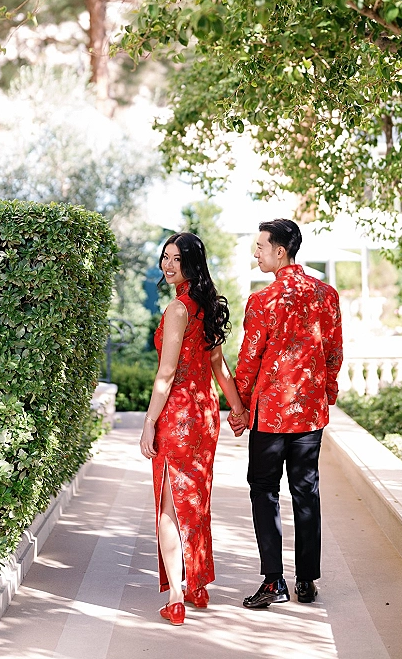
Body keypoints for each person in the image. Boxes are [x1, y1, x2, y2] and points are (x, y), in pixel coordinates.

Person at [228, 219, 342, 609]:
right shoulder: (327, 295)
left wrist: (240, 408)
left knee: (264, 491)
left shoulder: (263, 301)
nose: (255, 253)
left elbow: (249, 360)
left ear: (280, 251)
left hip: (271, 416)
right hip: (309, 414)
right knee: (306, 491)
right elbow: (333, 352)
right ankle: (306, 582)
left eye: (260, 246)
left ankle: (273, 581)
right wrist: (327, 390)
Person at [140, 232, 247, 626]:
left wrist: (148, 423)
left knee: (170, 505)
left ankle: (177, 595)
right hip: (205, 415)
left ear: (192, 263)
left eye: (176, 259)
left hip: (178, 417)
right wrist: (237, 410)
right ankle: (198, 583)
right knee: (197, 501)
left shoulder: (178, 310)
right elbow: (218, 367)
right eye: (165, 257)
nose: (168, 265)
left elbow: (166, 373)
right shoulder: (208, 306)